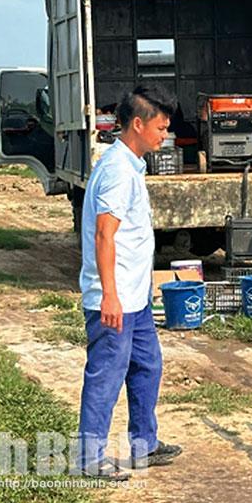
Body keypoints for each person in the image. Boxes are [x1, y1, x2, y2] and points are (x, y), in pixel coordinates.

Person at [78, 85, 182, 479]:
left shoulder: (130, 165)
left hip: (134, 299)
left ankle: (145, 444)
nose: (164, 135)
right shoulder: (118, 172)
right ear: (138, 124)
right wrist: (109, 296)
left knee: (148, 366)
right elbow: (105, 235)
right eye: (160, 127)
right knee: (106, 374)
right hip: (115, 298)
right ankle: (89, 460)